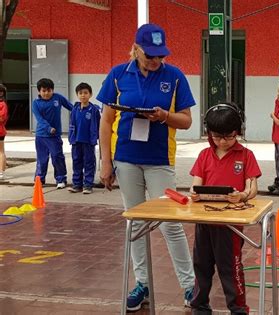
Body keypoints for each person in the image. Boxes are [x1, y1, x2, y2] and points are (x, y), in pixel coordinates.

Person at [97, 23, 195, 312]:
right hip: (126, 158)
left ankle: (190, 287)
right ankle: (142, 284)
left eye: (160, 55)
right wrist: (106, 161)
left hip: (159, 161)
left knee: (171, 224)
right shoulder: (118, 75)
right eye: (150, 55)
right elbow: (106, 120)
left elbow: (187, 120)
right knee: (136, 223)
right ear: (136, 48)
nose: (156, 61)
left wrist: (165, 116)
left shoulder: (174, 77)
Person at [189, 103, 261, 315]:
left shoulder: (246, 155)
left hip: (231, 224)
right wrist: (194, 194)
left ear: (237, 132)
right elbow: (195, 184)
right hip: (205, 220)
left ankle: (238, 309)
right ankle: (199, 306)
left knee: (230, 268)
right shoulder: (204, 154)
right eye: (217, 136)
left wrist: (242, 195)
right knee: (201, 265)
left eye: (229, 136)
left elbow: (252, 188)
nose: (223, 141)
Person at [32, 78, 73, 188]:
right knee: (42, 159)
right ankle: (39, 179)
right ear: (39, 91)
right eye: (44, 91)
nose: (46, 93)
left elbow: (71, 107)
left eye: (49, 91)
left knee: (57, 157)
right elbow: (39, 119)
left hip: (54, 136)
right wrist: (48, 128)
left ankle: (61, 179)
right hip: (41, 136)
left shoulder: (58, 98)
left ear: (53, 90)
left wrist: (80, 113)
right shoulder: (36, 103)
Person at [67, 83, 101, 194]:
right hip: (76, 141)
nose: (83, 95)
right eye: (80, 93)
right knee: (76, 162)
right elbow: (71, 124)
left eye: (85, 93)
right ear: (77, 95)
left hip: (88, 141)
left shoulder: (94, 110)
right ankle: (77, 184)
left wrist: (98, 137)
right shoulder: (75, 109)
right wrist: (71, 138)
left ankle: (88, 185)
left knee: (89, 163)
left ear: (90, 94)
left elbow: (99, 125)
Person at [0, 84, 8, 180]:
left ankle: (1, 172)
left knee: (1, 151)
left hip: (0, 131)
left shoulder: (3, 104)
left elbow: (2, 118)